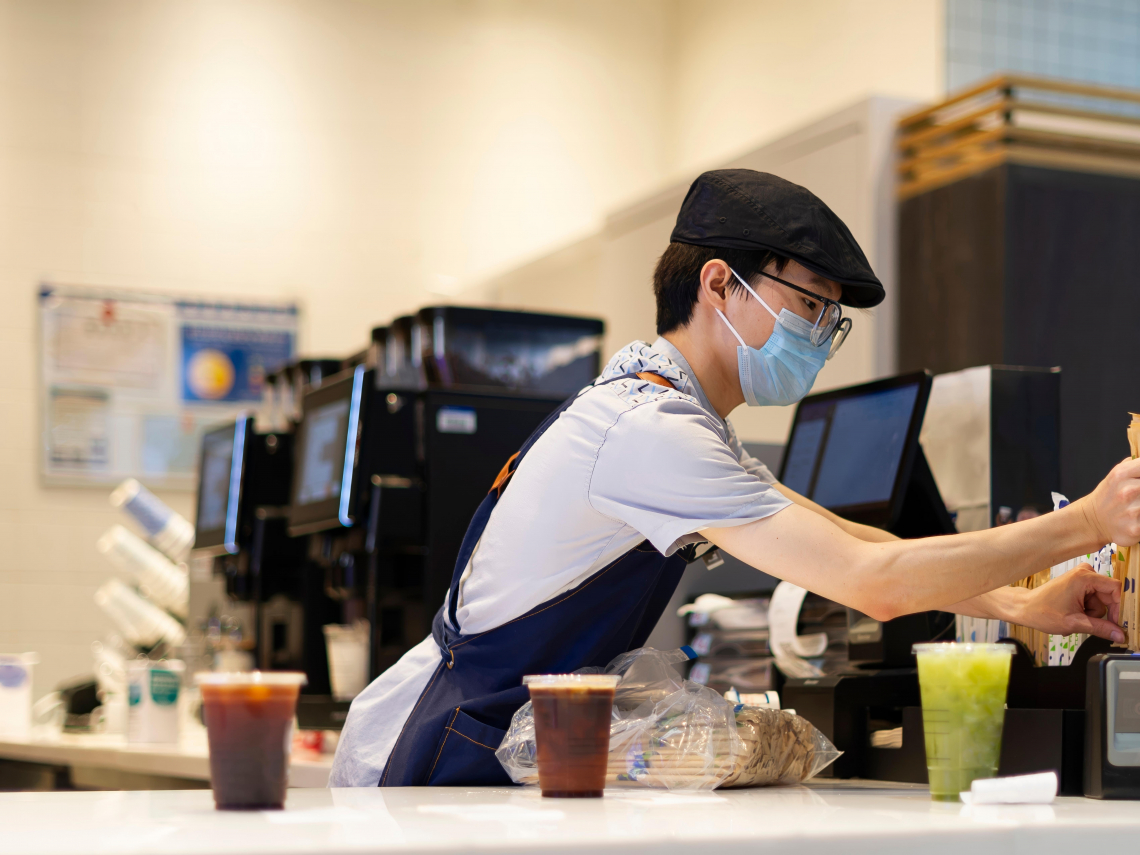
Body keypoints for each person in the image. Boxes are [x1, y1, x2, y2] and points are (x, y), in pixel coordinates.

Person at [331, 169, 1130, 788]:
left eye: (831, 319)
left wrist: (1022, 601)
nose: (822, 336)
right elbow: (872, 582)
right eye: (809, 306)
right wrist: (1090, 522)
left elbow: (854, 539)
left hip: (491, 743)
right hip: (446, 753)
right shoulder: (649, 431)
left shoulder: (670, 413)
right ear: (719, 283)